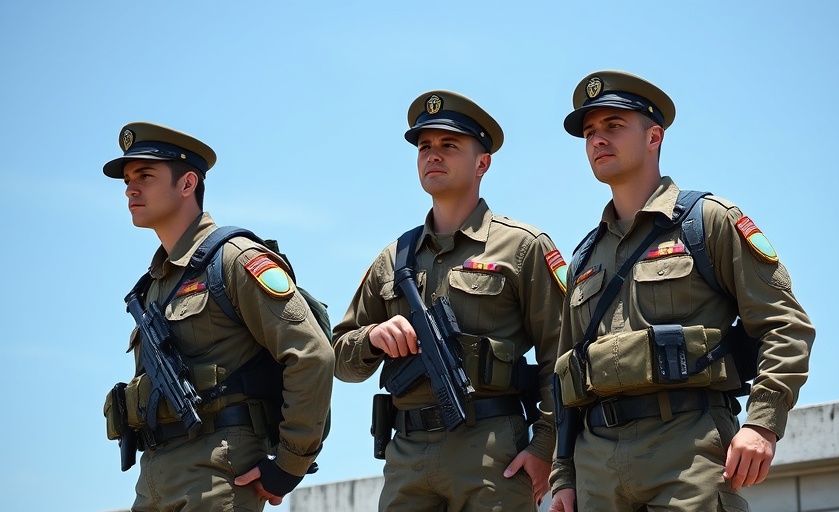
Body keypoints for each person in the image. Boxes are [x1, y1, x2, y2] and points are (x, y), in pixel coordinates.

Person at [549, 71, 815, 511]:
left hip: (688, 451)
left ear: (654, 136)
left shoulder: (707, 222)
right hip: (596, 466)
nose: (597, 140)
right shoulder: (583, 259)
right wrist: (564, 475)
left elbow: (785, 326)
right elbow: (567, 375)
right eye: (590, 132)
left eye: (614, 125)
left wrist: (763, 423)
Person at [333, 91, 567, 511]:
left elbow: (561, 353)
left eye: (449, 145)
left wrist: (546, 447)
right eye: (425, 147)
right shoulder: (393, 259)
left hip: (491, 451)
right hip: (406, 457)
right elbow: (340, 358)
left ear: (483, 163)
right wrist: (373, 337)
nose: (433, 155)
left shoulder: (522, 246)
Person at [101, 122, 334, 511]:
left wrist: (290, 465)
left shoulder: (234, 259)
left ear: (187, 183)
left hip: (218, 472)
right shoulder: (155, 285)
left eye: (145, 175)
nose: (130, 188)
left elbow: (312, 355)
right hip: (155, 477)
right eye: (127, 179)